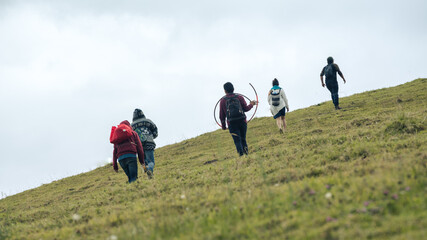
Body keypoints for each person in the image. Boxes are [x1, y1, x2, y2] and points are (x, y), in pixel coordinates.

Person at [219, 82, 258, 156]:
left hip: (232, 123)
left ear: (225, 91)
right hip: (242, 121)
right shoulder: (239, 97)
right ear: (233, 89)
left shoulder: (223, 101)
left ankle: (241, 157)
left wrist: (223, 126)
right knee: (243, 139)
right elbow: (246, 109)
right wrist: (252, 104)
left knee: (237, 141)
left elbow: (222, 115)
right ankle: (246, 155)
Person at [131, 109, 158, 179]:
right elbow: (155, 130)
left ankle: (147, 171)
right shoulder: (148, 121)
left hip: (139, 146)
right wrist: (152, 137)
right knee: (151, 161)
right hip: (149, 143)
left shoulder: (132, 126)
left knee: (144, 161)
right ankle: (150, 170)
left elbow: (131, 137)